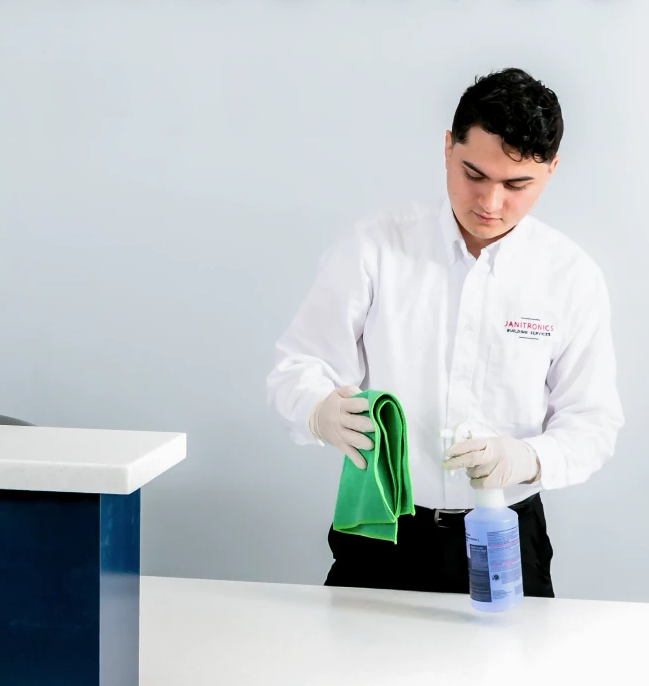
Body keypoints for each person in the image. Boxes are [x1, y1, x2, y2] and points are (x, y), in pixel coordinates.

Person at [266, 67, 623, 596]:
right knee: (355, 674)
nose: (490, 202)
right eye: (473, 174)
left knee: (510, 675)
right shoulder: (376, 246)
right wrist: (317, 409)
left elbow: (593, 424)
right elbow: (297, 367)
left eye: (516, 184)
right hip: (383, 531)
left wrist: (529, 459)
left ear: (551, 169)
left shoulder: (570, 276)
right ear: (448, 147)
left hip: (506, 531)